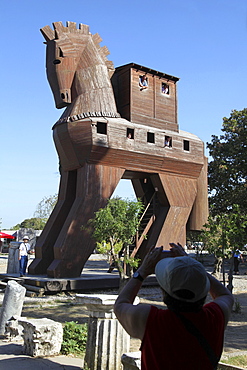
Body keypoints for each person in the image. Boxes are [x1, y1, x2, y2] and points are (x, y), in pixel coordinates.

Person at [114, 243, 234, 370]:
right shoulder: (215, 318)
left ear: (165, 290)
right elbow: (225, 295)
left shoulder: (150, 320)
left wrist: (142, 272)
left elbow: (120, 305)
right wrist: (195, 269)